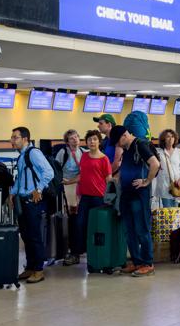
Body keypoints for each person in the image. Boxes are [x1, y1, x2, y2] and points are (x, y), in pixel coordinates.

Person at [6, 126, 52, 284]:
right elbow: (20, 178)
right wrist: (13, 193)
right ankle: (31, 267)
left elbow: (49, 172)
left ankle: (39, 270)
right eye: (12, 137)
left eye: (15, 137)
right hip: (23, 200)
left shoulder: (34, 153)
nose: (12, 140)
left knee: (34, 235)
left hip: (33, 202)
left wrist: (38, 189)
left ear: (25, 139)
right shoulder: (22, 156)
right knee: (26, 235)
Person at [116, 111, 160, 277]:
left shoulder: (141, 144)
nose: (118, 145)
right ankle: (136, 261)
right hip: (127, 194)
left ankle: (147, 263)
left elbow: (155, 164)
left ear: (126, 134)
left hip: (139, 196)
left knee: (141, 229)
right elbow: (126, 167)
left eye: (118, 141)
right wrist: (117, 178)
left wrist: (147, 181)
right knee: (129, 230)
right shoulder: (127, 148)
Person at [68, 129, 110, 266]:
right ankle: (77, 253)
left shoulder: (104, 159)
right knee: (79, 225)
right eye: (90, 139)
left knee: (97, 227)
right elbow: (82, 175)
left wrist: (110, 198)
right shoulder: (84, 156)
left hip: (99, 198)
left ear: (99, 141)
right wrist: (69, 182)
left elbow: (108, 179)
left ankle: (97, 254)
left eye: (95, 139)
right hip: (85, 197)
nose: (92, 142)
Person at [153, 128, 180, 210]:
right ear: (163, 139)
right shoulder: (158, 152)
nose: (171, 139)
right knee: (168, 210)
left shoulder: (179, 152)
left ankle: (175, 223)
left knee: (175, 211)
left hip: (177, 185)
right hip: (164, 186)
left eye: (172, 136)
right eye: (168, 137)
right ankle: (171, 223)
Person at [55, 129, 84, 218]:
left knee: (80, 208)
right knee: (70, 208)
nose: (75, 139)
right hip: (66, 183)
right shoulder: (63, 152)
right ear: (67, 142)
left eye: (76, 137)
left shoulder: (84, 152)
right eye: (71, 138)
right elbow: (56, 167)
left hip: (79, 182)